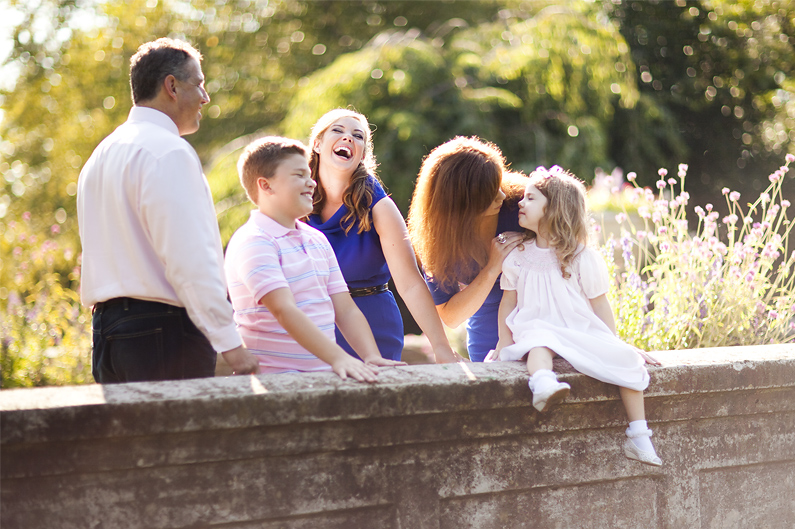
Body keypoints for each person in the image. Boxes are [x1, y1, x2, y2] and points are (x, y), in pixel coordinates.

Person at [77, 38, 259, 383]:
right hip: (165, 330)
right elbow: (190, 256)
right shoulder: (169, 151)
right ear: (171, 86)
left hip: (106, 333)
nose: (205, 97)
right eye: (200, 84)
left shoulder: (100, 156)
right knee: (179, 439)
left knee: (132, 439)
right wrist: (230, 342)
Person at [489, 165, 663, 466]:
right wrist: (504, 341)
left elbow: (599, 305)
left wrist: (615, 343)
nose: (520, 202)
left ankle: (638, 435)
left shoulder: (582, 257)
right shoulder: (518, 255)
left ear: (553, 209)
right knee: (539, 343)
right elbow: (508, 303)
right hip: (535, 328)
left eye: (530, 198)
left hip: (577, 329)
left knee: (628, 361)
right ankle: (543, 382)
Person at [224, 136, 405, 381]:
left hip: (323, 378)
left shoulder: (317, 239)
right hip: (274, 382)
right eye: (299, 175)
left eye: (309, 175)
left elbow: (345, 308)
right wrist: (339, 357)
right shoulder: (254, 241)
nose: (311, 183)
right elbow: (283, 309)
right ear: (266, 185)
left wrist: (370, 355)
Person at [305, 109, 459, 363]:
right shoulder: (295, 198)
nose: (348, 138)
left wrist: (441, 347)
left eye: (357, 136)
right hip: (311, 325)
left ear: (362, 155)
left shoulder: (379, 206)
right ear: (318, 144)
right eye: (338, 130)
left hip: (373, 325)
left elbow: (409, 283)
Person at [406, 136, 527, 362]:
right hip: (489, 342)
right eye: (490, 193)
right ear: (461, 203)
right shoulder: (438, 240)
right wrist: (491, 269)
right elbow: (451, 316)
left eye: (498, 184)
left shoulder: (521, 201)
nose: (501, 195)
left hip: (543, 326)